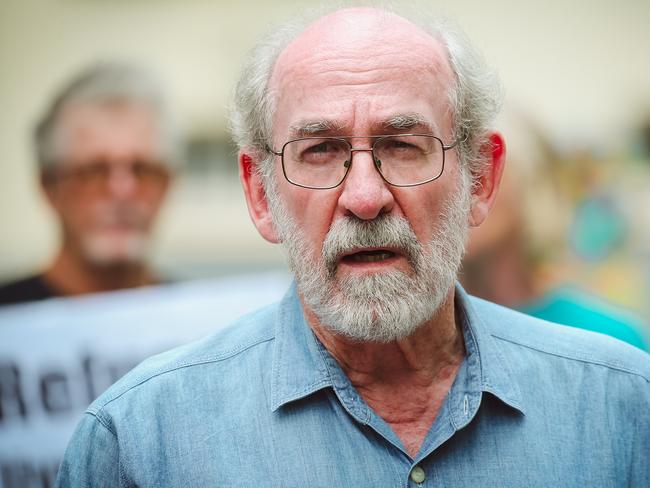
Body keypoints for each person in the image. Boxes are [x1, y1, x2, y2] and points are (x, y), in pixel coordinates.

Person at [57, 8, 649, 486]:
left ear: (481, 180)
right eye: (318, 151)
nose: (365, 197)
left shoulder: (623, 411)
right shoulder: (139, 443)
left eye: (402, 145)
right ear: (260, 195)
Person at [461, 110, 650, 351]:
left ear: (531, 190)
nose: (460, 193)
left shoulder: (608, 341)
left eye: (479, 174)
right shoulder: (410, 344)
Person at [0, 63, 178, 306]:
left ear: (167, 185)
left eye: (142, 170)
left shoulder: (201, 326)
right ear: (50, 187)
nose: (122, 190)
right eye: (93, 172)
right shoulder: (9, 322)